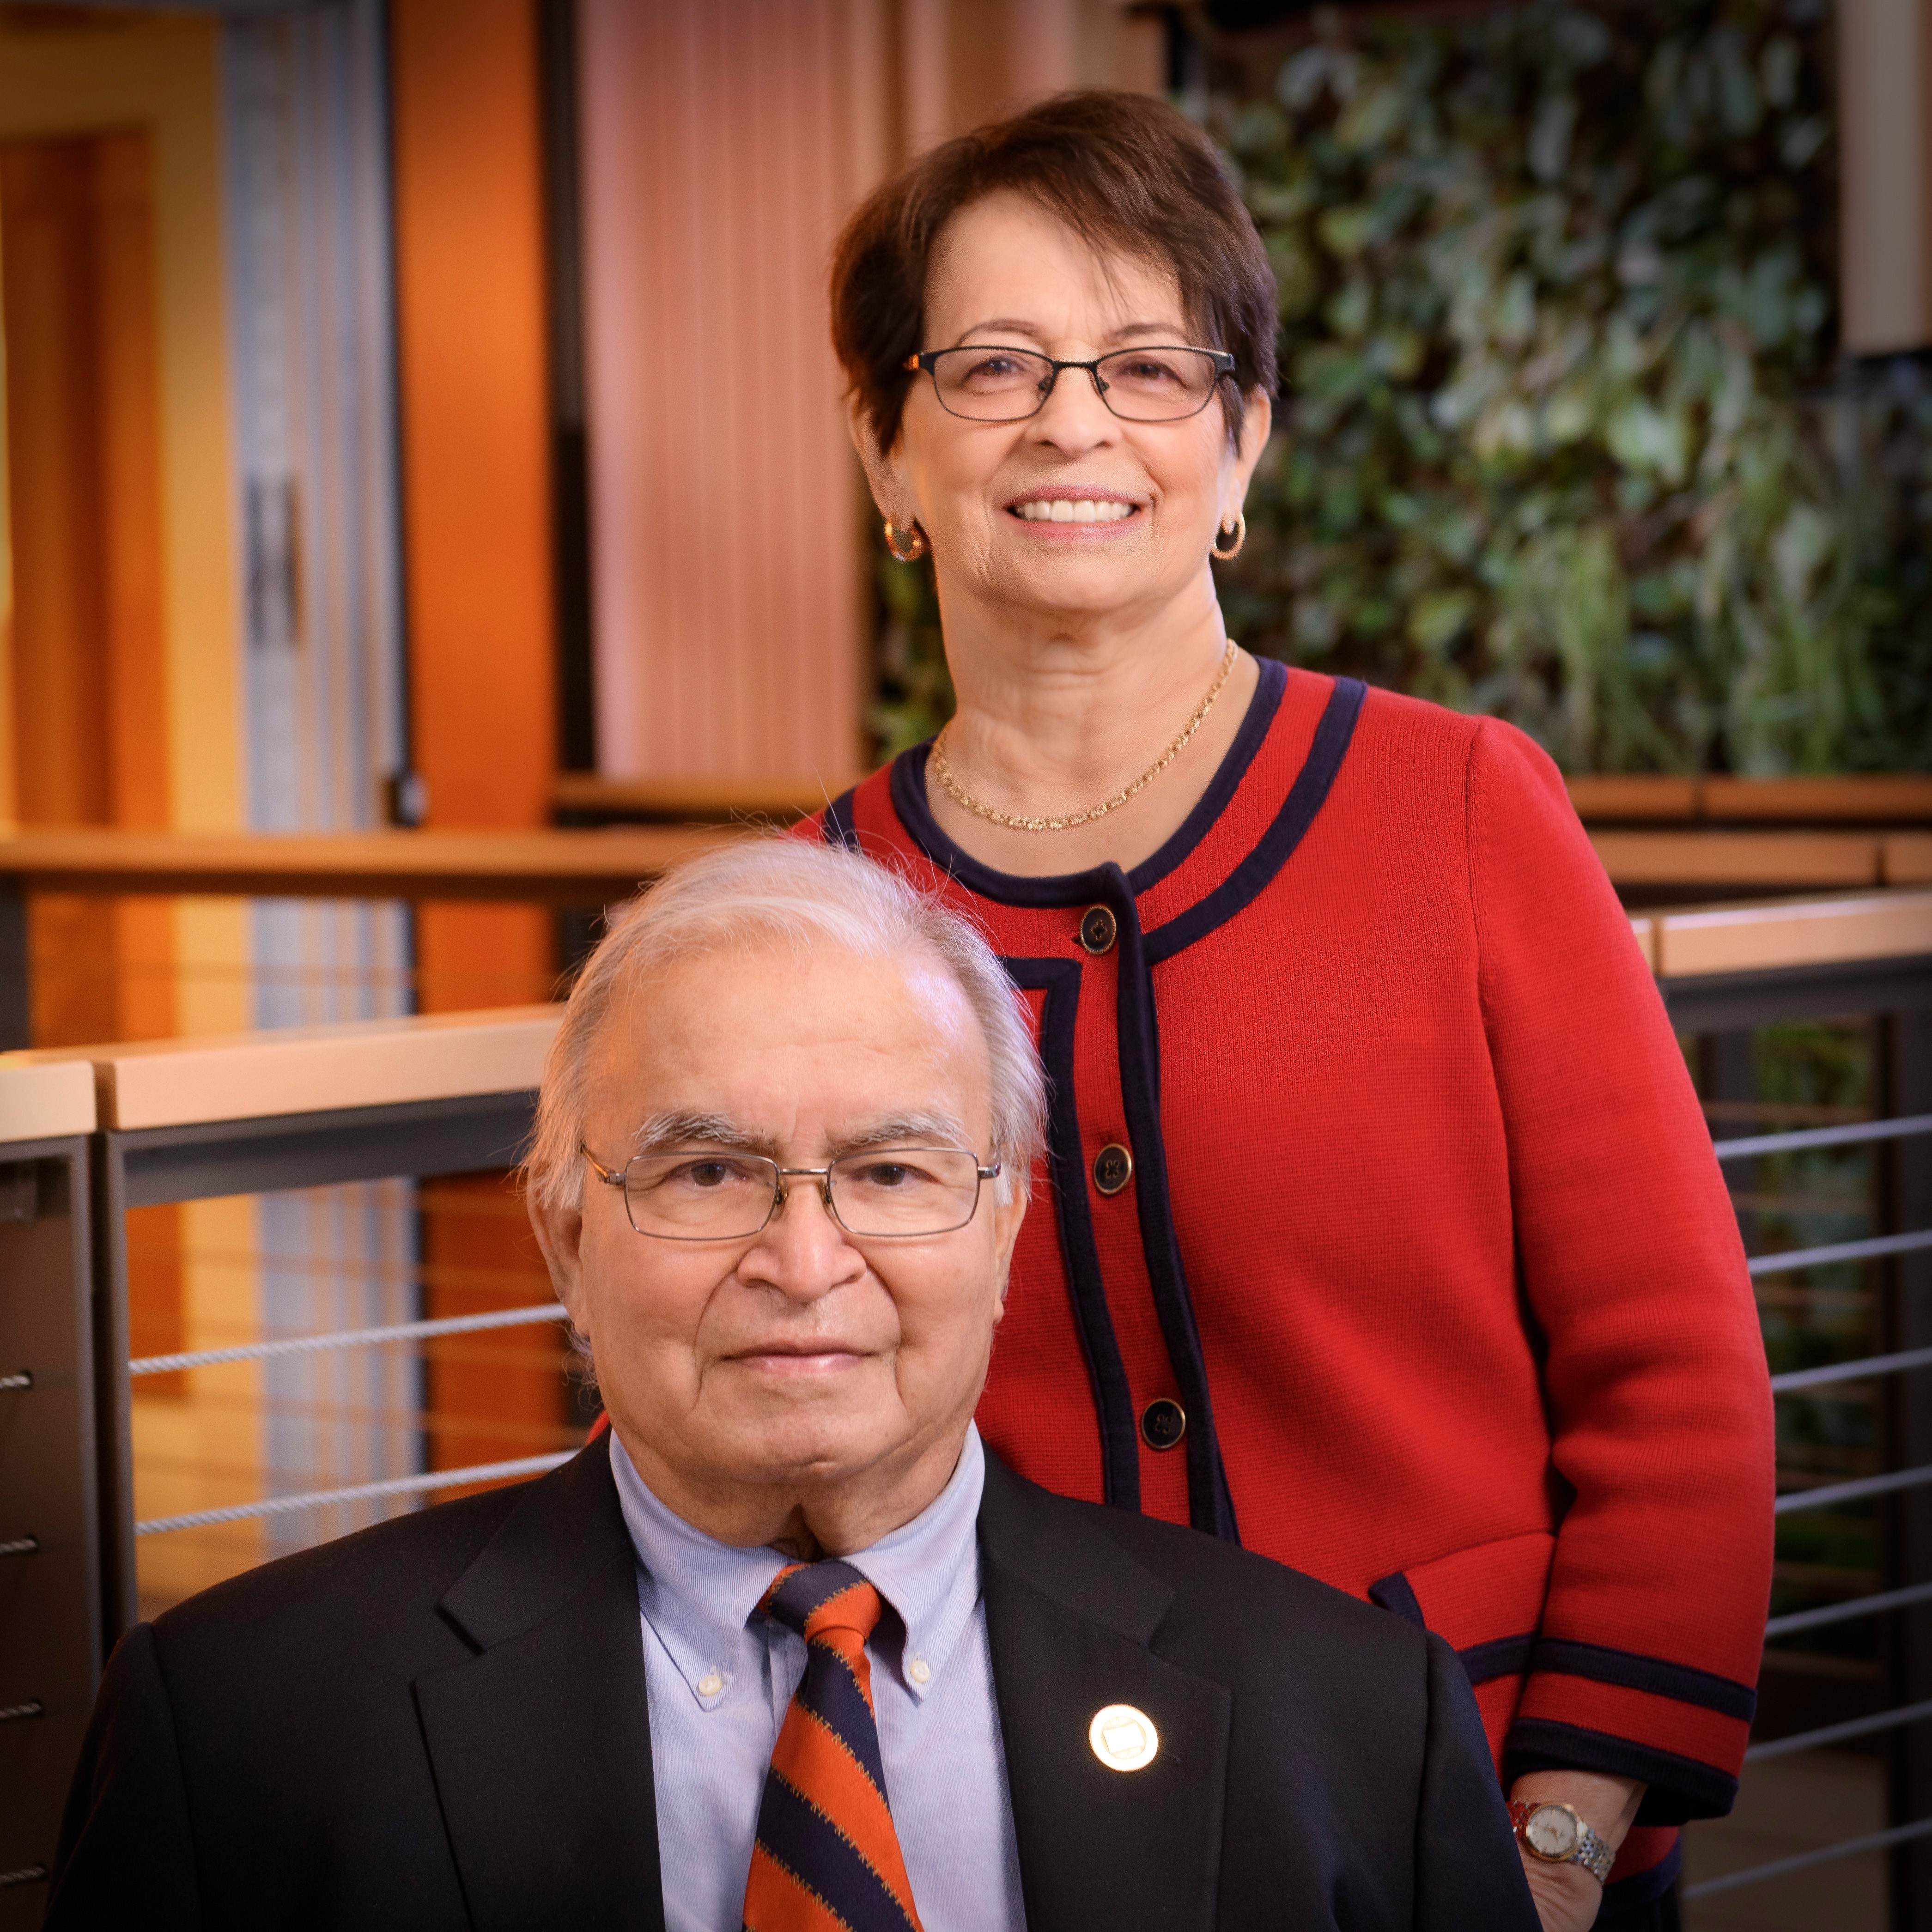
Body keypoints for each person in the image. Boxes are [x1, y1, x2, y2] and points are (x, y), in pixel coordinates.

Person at [816, 89, 1774, 1931]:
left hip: (1471, 1811)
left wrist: (1555, 1851)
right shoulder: (816, 914)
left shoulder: (1460, 808)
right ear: (887, 450)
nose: (1073, 421)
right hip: (1011, 1838)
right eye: (995, 365)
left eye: (1150, 367)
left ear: (1241, 441)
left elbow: (1678, 1382)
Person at [47, 840, 1538, 1932]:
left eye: (891, 1172)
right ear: (567, 1241)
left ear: (1005, 1229)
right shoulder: (244, 1732)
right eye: (708, 1173)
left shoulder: (1354, 1724)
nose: (806, 1262)